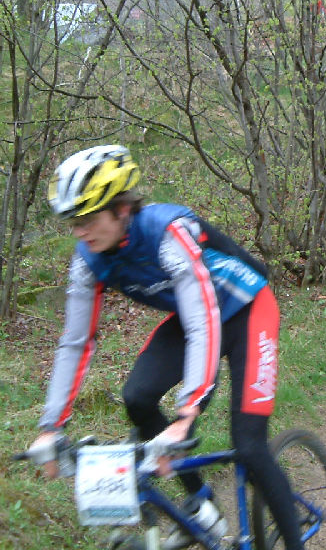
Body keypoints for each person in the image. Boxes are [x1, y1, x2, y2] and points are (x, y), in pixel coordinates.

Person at [25, 145, 304, 550]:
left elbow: (202, 322)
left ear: (122, 208)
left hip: (247, 309)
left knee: (249, 446)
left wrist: (187, 413)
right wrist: (52, 426)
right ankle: (202, 506)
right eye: (72, 222)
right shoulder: (89, 260)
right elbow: (75, 342)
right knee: (137, 397)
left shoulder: (166, 232)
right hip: (198, 319)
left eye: (86, 218)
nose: (79, 232)